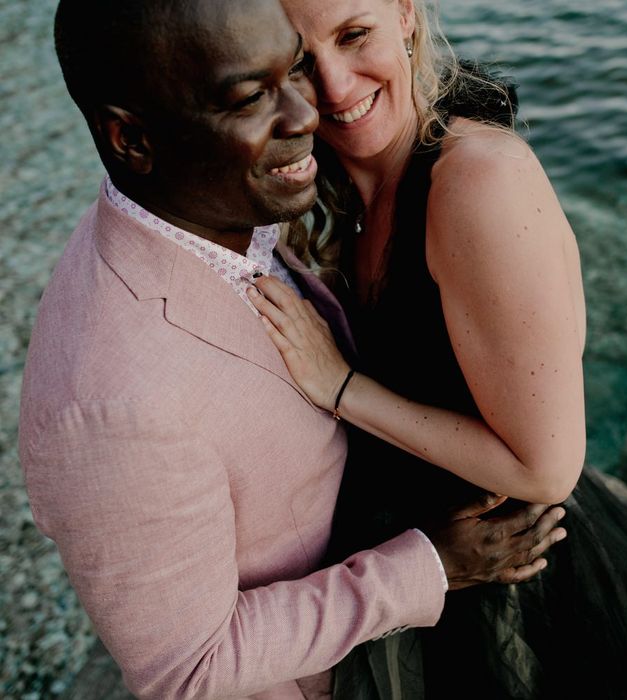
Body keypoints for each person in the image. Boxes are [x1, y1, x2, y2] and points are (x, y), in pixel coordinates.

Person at [18, 1, 569, 699]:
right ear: (131, 141)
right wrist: (427, 567)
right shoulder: (108, 407)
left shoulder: (212, 211)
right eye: (251, 96)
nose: (312, 111)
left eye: (291, 69)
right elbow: (187, 671)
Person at [248, 0, 627, 698]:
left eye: (355, 34)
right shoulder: (350, 181)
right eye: (305, 61)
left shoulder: (478, 181)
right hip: (423, 562)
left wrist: (339, 387)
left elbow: (547, 469)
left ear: (405, 13)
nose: (338, 88)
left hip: (512, 591)